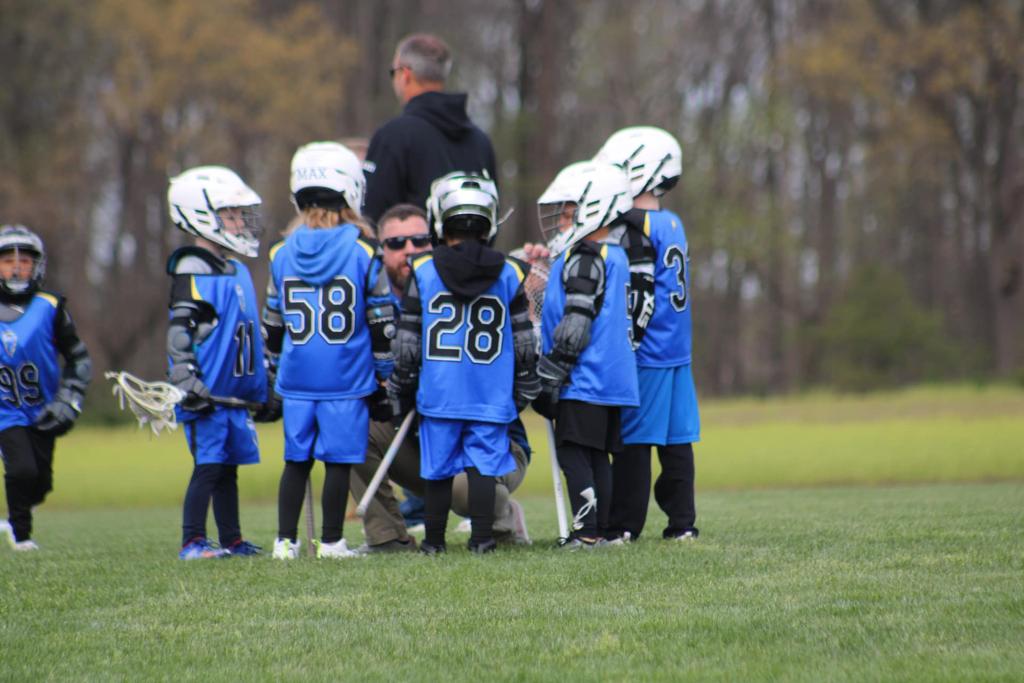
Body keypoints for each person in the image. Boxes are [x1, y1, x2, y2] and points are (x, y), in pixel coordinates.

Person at [349, 203, 534, 553]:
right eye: (396, 243)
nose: (410, 250)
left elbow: (406, 350)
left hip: (446, 405)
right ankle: (390, 537)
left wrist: (401, 387)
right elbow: (526, 351)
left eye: (419, 240)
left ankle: (485, 525)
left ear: (436, 235)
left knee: (458, 478)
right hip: (477, 403)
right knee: (348, 427)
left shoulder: (428, 275)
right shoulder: (372, 296)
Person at [262, 141, 394, 560]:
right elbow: (381, 323)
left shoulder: (280, 253)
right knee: (338, 462)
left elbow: (273, 324)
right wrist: (384, 375)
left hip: (297, 377)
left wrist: (276, 369)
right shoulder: (364, 251)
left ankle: (285, 542)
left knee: (296, 461)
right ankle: (332, 541)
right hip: (347, 377)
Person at [595, 126, 701, 542]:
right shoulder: (673, 221)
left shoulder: (636, 226)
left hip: (649, 351)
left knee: (635, 440)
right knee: (676, 442)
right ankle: (682, 524)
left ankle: (624, 525)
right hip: (678, 352)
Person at [533, 160, 639, 549]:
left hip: (584, 378)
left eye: (567, 214)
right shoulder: (618, 255)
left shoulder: (584, 256)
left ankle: (587, 532)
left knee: (574, 454)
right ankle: (602, 530)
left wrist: (553, 372)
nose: (562, 223)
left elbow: (577, 324)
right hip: (611, 380)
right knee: (596, 458)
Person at [165, 166, 267, 560]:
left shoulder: (235, 269)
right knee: (208, 467)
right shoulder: (192, 268)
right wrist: (185, 375)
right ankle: (192, 542)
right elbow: (180, 330)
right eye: (230, 214)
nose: (239, 221)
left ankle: (231, 540)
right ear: (201, 214)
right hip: (207, 393)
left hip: (232, 394)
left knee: (227, 469)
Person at [0, 225, 90, 552]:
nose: (16, 268)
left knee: (40, 483)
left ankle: (17, 512)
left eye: (24, 261)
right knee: (22, 470)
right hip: (5, 411)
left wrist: (70, 398)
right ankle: (21, 534)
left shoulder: (50, 306)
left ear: (37, 265)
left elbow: (78, 358)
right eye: (7, 261)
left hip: (43, 407)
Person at [363, 33, 497, 222]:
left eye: (393, 72)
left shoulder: (393, 136)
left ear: (405, 75)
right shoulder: (480, 142)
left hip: (410, 241)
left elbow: (373, 215)